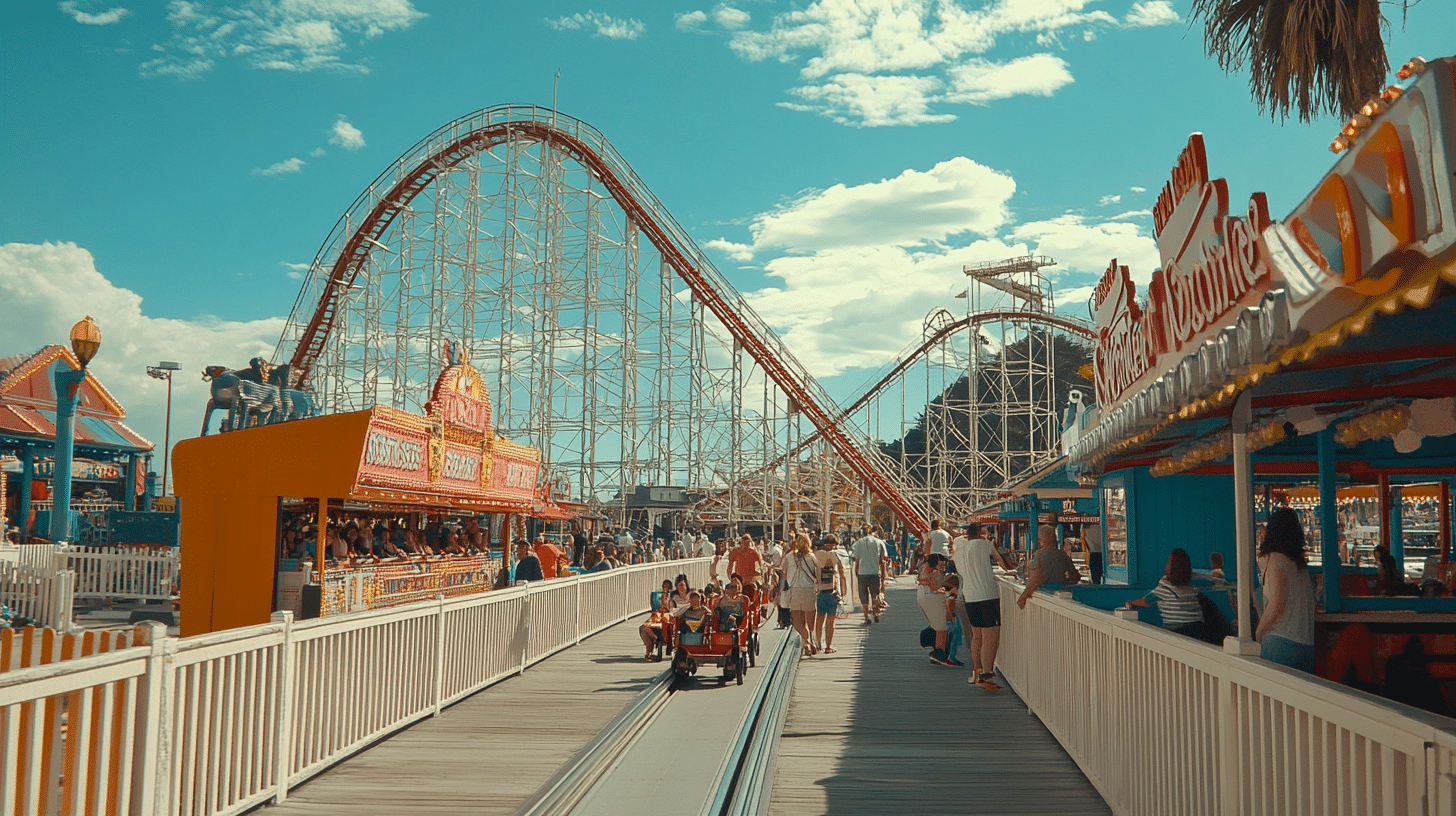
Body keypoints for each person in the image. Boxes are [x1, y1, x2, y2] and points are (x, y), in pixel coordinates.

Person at [952, 522, 1013, 690]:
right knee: (991, 636)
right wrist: (1009, 572)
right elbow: (999, 559)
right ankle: (987, 674)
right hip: (986, 595)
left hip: (969, 596)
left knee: (977, 636)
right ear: (980, 533)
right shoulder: (984, 544)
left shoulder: (959, 552)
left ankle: (977, 672)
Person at [1255, 508, 1316, 672]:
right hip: (1307, 644)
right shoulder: (1299, 566)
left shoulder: (1272, 559)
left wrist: (1258, 634)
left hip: (1280, 642)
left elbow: (1276, 604)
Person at [1125, 549, 1210, 640]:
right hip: (1199, 630)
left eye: (1169, 562)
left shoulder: (1165, 588)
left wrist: (1131, 603)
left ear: (1171, 567)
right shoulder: (1192, 589)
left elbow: (1145, 601)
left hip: (1177, 631)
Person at [1016, 525, 1081, 609]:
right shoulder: (1062, 555)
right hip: (1062, 593)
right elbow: (1075, 576)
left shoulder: (1039, 555)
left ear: (1041, 539)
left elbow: (1035, 577)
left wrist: (1024, 595)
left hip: (1044, 594)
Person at [781, 533, 820, 657]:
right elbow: (818, 576)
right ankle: (808, 640)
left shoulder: (789, 557)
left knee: (797, 621)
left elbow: (785, 574)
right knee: (810, 622)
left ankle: (807, 642)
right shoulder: (812, 557)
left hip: (795, 590)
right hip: (809, 590)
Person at [813, 535, 848, 654]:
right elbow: (842, 572)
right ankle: (828, 646)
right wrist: (844, 590)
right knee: (830, 620)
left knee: (819, 619)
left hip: (819, 591)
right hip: (832, 592)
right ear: (833, 544)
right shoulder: (835, 555)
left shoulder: (816, 555)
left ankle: (817, 644)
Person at [917, 553, 954, 665]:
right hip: (932, 598)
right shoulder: (935, 572)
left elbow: (923, 581)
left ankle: (938, 652)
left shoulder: (924, 567)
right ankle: (939, 653)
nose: (943, 566)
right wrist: (945, 591)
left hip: (922, 596)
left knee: (938, 625)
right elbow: (933, 587)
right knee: (941, 627)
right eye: (941, 563)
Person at [852, 527, 889, 623]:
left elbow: (856, 561)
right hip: (874, 573)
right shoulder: (879, 542)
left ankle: (866, 617)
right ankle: (876, 614)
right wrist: (883, 573)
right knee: (874, 594)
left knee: (863, 597)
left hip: (862, 573)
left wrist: (856, 572)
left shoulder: (858, 544)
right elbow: (883, 559)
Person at [640, 580, 673, 660]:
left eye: (667, 587)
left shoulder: (672, 597)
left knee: (662, 623)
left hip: (667, 617)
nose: (665, 588)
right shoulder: (659, 596)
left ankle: (655, 643)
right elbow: (655, 606)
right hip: (657, 616)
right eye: (664, 586)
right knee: (643, 629)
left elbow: (669, 608)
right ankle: (652, 644)